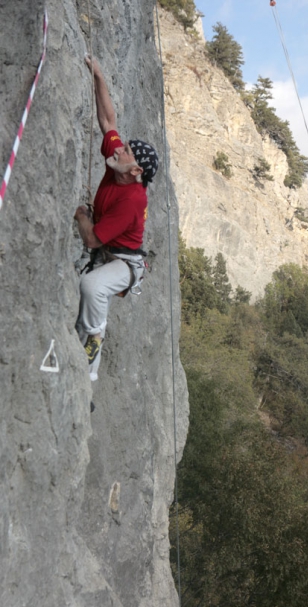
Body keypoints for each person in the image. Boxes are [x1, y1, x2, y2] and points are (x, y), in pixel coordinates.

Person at [74, 57, 158, 381]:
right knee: (90, 290)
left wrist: (82, 216)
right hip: (111, 251)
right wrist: (98, 75)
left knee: (92, 285)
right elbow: (108, 119)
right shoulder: (118, 165)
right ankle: (86, 358)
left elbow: (93, 238)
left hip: (125, 263)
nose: (120, 149)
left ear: (135, 170)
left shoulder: (132, 199)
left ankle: (93, 341)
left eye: (128, 153)